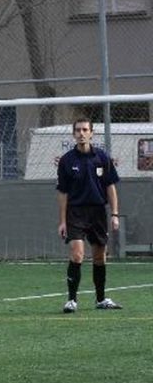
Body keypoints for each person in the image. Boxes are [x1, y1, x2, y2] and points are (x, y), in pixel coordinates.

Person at [57, 117, 123, 313]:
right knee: (77, 254)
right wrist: (62, 221)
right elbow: (62, 192)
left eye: (85, 130)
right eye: (78, 130)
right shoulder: (67, 160)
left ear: (92, 133)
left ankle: (101, 299)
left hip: (98, 212)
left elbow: (110, 187)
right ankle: (71, 300)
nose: (81, 133)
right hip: (75, 212)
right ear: (73, 134)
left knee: (99, 257)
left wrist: (115, 214)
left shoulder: (102, 158)